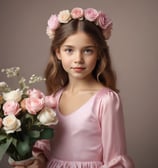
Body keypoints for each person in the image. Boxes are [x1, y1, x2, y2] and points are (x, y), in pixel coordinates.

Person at [12, 7, 134, 168]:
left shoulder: (106, 100)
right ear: (58, 53)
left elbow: (115, 159)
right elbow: (46, 149)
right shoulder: (53, 99)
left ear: (98, 54)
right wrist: (39, 161)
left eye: (88, 51)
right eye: (69, 50)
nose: (78, 59)